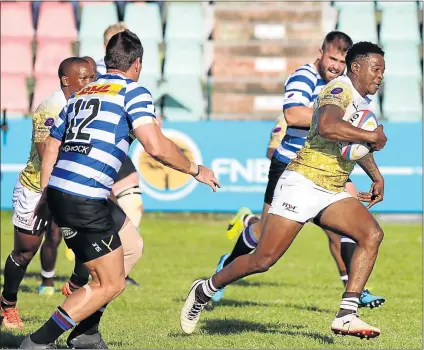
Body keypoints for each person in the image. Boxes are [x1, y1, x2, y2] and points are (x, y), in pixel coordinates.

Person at [20, 29, 219, 349]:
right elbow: (155, 146)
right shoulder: (133, 92)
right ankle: (37, 342)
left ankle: (86, 333)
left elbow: (53, 146)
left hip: (63, 190)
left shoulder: (83, 93)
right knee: (111, 283)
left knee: (131, 247)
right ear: (137, 64)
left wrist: (47, 195)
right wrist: (195, 169)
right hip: (85, 197)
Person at [180, 41, 387, 339]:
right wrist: (371, 135)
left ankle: (347, 314)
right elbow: (328, 126)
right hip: (302, 183)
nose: (380, 76)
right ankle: (205, 289)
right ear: (356, 67)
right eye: (376, 69)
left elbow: (353, 145)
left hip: (331, 188)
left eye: (383, 71)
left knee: (371, 234)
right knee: (263, 260)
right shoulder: (338, 90)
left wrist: (376, 176)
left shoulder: (361, 101)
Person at [0, 57, 95, 329]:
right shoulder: (50, 108)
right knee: (25, 251)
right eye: (85, 77)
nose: (90, 82)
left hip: (69, 188)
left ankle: (78, 301)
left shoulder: (84, 106)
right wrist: (48, 197)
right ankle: (7, 304)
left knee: (88, 246)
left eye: (92, 76)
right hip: (37, 188)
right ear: (67, 80)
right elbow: (47, 157)